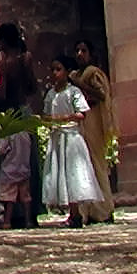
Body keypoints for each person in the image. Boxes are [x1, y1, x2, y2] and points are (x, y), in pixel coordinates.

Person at [42, 56, 102, 227]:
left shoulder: (73, 92)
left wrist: (65, 118)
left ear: (67, 72)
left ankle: (76, 214)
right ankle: (71, 213)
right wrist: (49, 121)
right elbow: (46, 114)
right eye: (52, 69)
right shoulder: (51, 94)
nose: (54, 73)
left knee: (72, 173)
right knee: (61, 172)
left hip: (71, 137)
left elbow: (82, 113)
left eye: (58, 69)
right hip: (57, 137)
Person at [72, 39, 118, 224]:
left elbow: (101, 95)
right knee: (83, 167)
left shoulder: (93, 73)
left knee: (97, 165)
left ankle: (104, 210)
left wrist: (80, 85)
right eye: (77, 50)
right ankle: (87, 211)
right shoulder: (75, 74)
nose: (80, 54)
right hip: (80, 124)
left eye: (84, 50)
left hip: (93, 123)